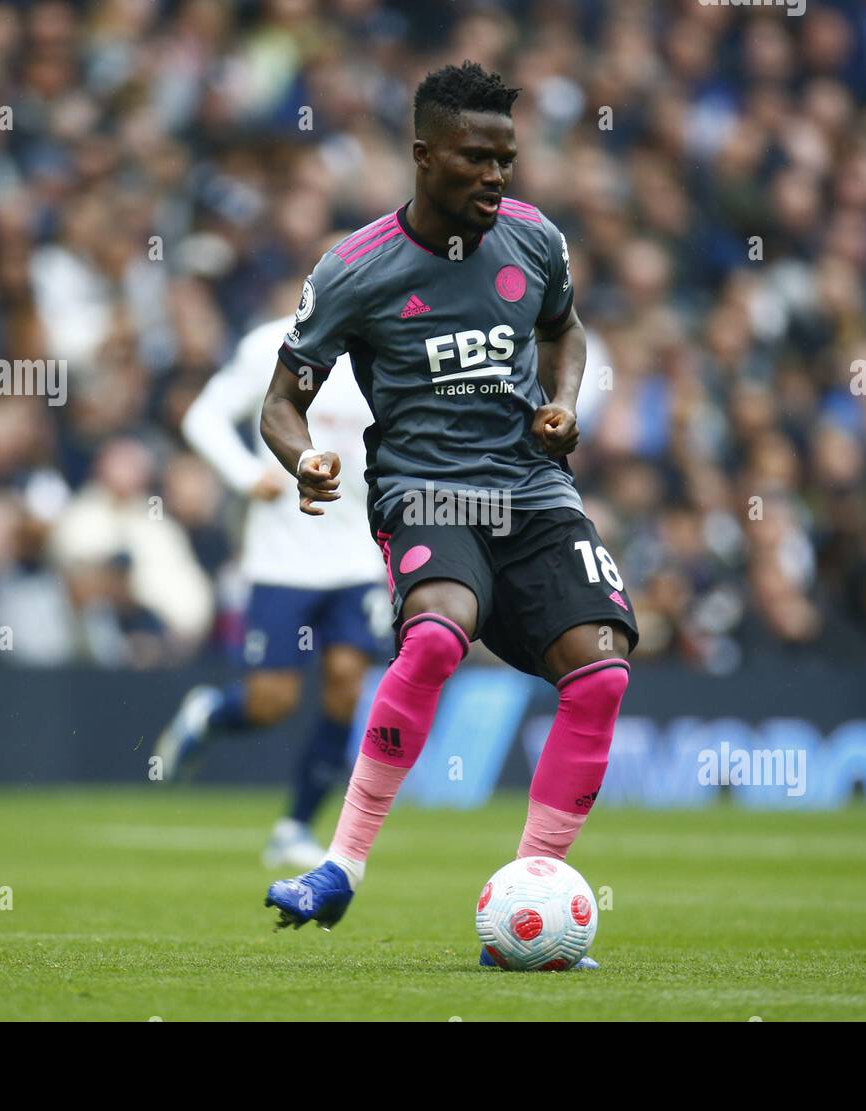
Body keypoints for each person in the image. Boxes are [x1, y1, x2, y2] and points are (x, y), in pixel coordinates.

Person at [258, 61, 638, 968]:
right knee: (435, 638)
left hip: (531, 487)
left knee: (603, 673)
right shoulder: (356, 269)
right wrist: (304, 457)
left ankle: (533, 891)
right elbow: (280, 401)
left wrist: (564, 401)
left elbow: (567, 330)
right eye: (476, 158)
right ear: (425, 157)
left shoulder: (535, 240)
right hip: (424, 490)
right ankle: (340, 865)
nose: (497, 177)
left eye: (506, 159)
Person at [154, 286, 389, 871]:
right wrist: (243, 475)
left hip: (358, 553)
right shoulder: (271, 344)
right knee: (271, 702)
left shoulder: (388, 347)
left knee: (343, 681)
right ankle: (211, 714)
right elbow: (204, 415)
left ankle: (294, 826)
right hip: (283, 556)